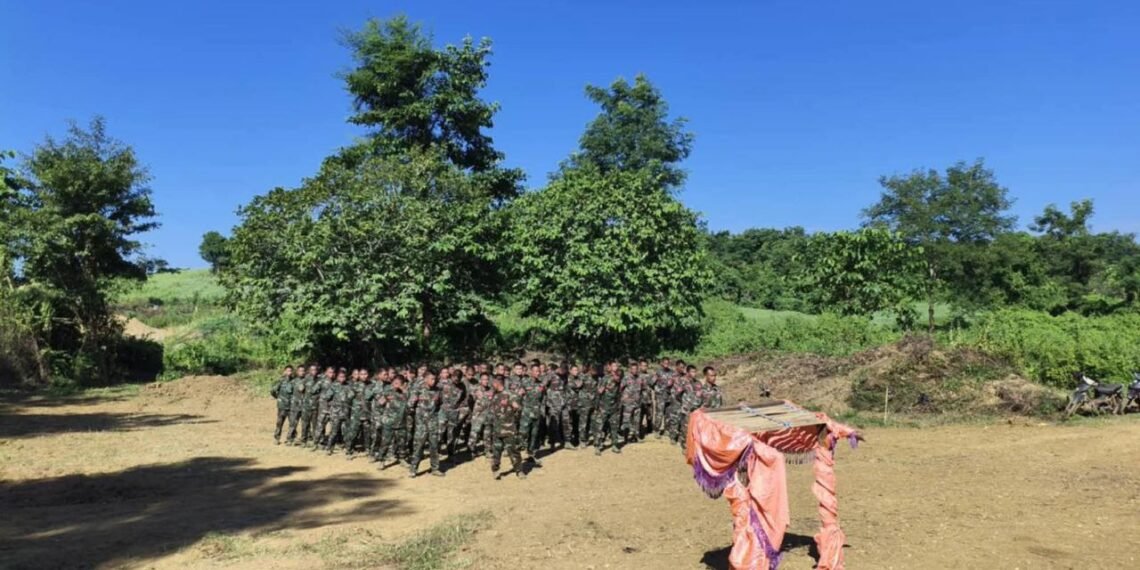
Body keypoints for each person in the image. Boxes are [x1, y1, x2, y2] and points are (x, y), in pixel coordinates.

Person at [488, 374, 525, 479]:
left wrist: (514, 412)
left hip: (509, 429)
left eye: (493, 383)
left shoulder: (510, 394)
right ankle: (495, 470)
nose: (492, 385)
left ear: (497, 383)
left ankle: (519, 470)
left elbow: (518, 408)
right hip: (496, 428)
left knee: (513, 451)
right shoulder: (494, 395)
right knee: (496, 451)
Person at [409, 371, 444, 477]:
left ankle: (435, 468)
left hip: (433, 422)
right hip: (421, 423)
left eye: (435, 379)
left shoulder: (438, 390)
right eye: (431, 379)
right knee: (418, 446)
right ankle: (413, 469)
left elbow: (440, 404)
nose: (434, 381)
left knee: (434, 446)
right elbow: (410, 405)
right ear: (425, 379)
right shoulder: (418, 390)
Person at [376, 375, 410, 468]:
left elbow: (410, 403)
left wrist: (404, 391)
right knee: (385, 442)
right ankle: (381, 460)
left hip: (401, 422)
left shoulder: (406, 393)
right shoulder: (387, 392)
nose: (396, 385)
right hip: (389, 421)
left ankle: (402, 459)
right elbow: (379, 404)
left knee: (402, 442)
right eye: (395, 383)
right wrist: (384, 400)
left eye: (399, 383)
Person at [519, 363, 546, 465]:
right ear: (531, 372)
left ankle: (531, 454)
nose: (538, 373)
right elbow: (519, 396)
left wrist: (542, 410)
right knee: (523, 433)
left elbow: (543, 398)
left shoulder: (541, 384)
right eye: (536, 371)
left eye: (539, 371)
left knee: (534, 434)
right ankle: (519, 453)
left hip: (537, 412)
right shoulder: (524, 382)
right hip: (526, 412)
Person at [323, 369, 353, 455]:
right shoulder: (333, 386)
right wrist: (332, 404)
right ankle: (329, 448)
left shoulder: (348, 386)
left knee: (346, 432)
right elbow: (327, 397)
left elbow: (351, 396)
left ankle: (348, 449)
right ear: (337, 377)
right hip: (336, 413)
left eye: (344, 377)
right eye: (340, 377)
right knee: (334, 431)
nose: (342, 378)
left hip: (345, 413)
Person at [593, 367, 623, 455]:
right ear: (614, 375)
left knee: (614, 427)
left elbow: (618, 395)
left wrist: (618, 407)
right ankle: (597, 446)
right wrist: (596, 407)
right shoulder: (605, 380)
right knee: (599, 427)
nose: (618, 379)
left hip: (614, 408)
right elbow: (598, 393)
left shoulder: (619, 382)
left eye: (620, 378)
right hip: (603, 408)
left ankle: (614, 445)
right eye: (617, 377)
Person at [466, 372, 494, 457]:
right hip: (478, 415)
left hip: (488, 414)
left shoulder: (491, 389)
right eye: (484, 379)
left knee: (487, 433)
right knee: (475, 432)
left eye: (487, 379)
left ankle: (487, 450)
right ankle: (471, 450)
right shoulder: (475, 389)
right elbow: (470, 400)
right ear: (480, 380)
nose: (486, 381)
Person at [270, 365, 295, 444]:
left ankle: (290, 439)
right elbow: (273, 390)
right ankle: (277, 438)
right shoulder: (280, 381)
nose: (289, 372)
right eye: (288, 371)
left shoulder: (294, 381)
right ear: (284, 371)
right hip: (282, 406)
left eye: (290, 371)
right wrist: (278, 397)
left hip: (291, 406)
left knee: (292, 423)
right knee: (279, 423)